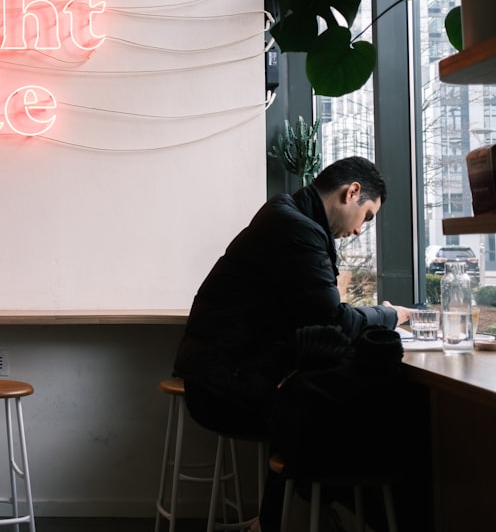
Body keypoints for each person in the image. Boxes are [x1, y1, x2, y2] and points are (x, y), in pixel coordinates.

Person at [173, 156, 416, 529]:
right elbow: (331, 319)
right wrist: (391, 315)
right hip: (223, 386)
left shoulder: (286, 216)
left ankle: (284, 519)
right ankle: (310, 518)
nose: (359, 231)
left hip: (221, 373)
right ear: (351, 192)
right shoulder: (295, 228)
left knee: (335, 399)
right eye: (366, 217)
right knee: (360, 411)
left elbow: (318, 315)